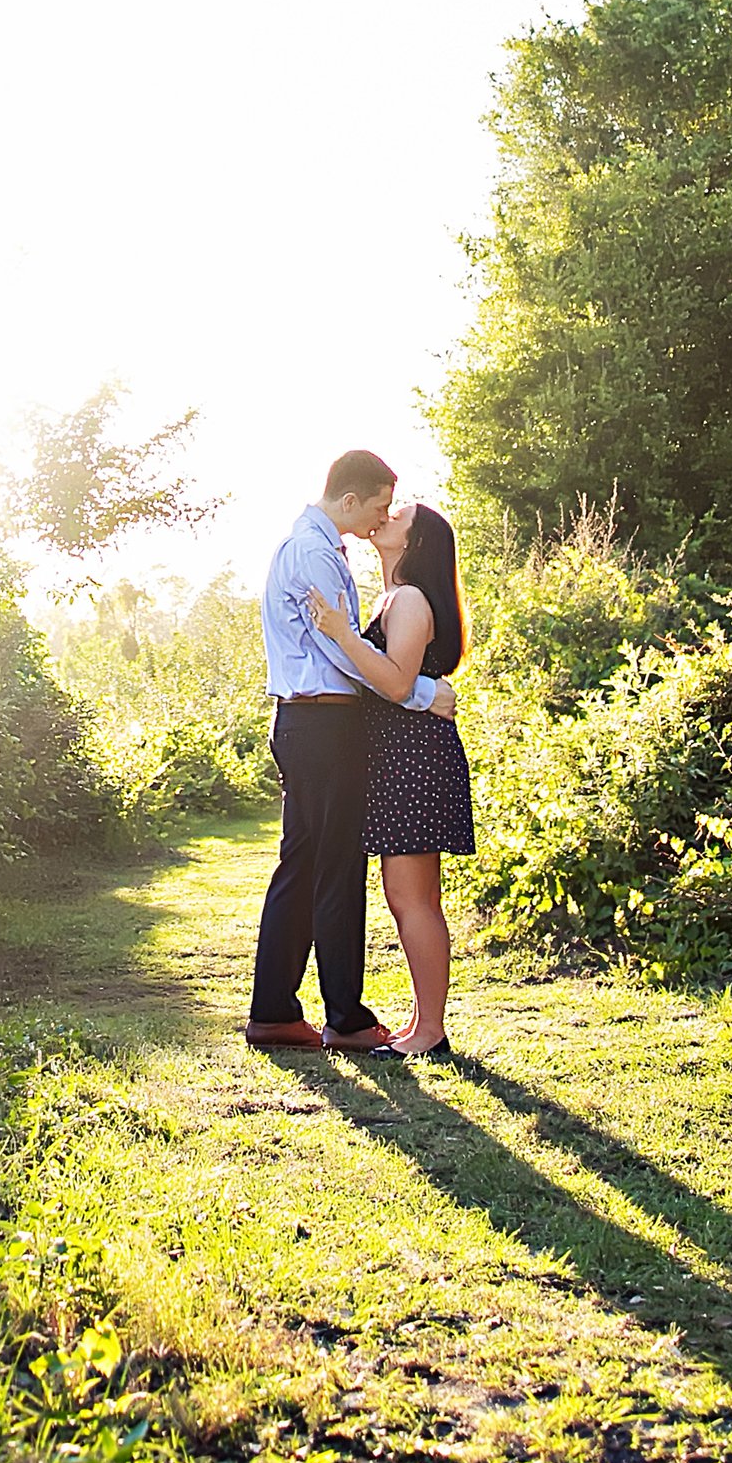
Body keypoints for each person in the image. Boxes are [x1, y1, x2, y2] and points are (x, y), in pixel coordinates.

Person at [247, 447, 457, 1054]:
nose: (379, 518)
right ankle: (345, 1018)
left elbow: (346, 643)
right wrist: (420, 692)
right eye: (378, 506)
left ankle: (275, 1012)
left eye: (391, 512)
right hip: (320, 725)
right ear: (349, 500)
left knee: (306, 866)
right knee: (335, 870)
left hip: (314, 722)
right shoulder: (313, 551)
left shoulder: (318, 546)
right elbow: (341, 650)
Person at [308, 494, 476, 1061]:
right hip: (407, 757)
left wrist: (342, 634)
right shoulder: (396, 598)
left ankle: (430, 1031)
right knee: (415, 897)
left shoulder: (408, 599)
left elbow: (399, 684)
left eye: (398, 515)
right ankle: (424, 1022)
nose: (386, 517)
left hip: (413, 761)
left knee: (412, 900)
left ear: (415, 541)